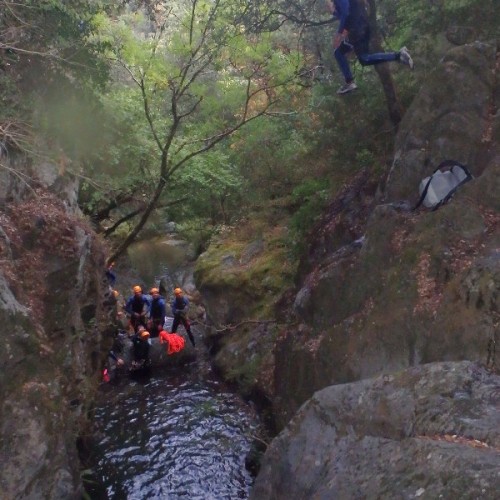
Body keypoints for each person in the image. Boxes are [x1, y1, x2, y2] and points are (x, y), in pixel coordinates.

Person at [327, 0, 414, 94]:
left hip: (357, 31)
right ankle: (399, 55)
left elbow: (346, 13)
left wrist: (339, 34)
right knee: (352, 56)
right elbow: (348, 13)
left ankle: (399, 55)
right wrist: (334, 12)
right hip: (361, 28)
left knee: (354, 56)